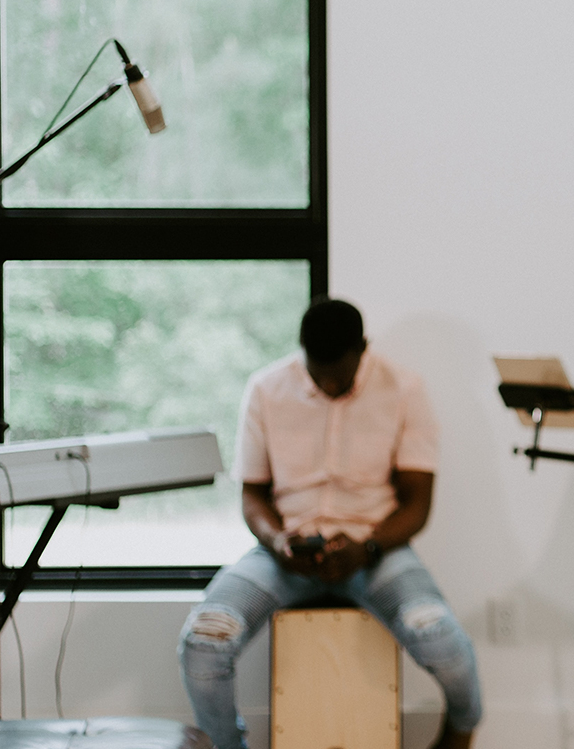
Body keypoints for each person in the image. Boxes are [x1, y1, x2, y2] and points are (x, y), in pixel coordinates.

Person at [179, 298, 481, 749]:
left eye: (340, 373)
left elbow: (417, 505)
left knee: (439, 637)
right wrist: (279, 540)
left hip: (377, 551)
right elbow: (253, 496)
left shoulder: (405, 389)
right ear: (302, 351)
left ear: (363, 348)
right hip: (284, 554)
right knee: (203, 641)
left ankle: (461, 730)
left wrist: (368, 547)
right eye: (319, 373)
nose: (330, 383)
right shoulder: (265, 389)